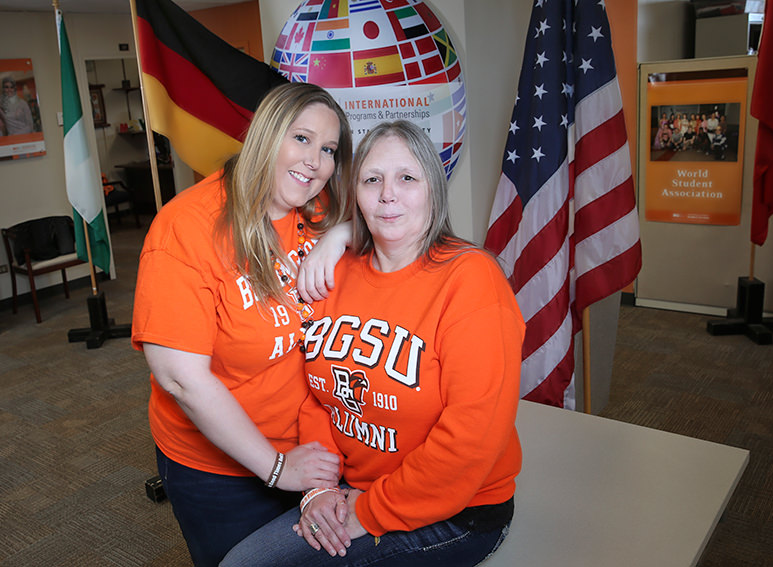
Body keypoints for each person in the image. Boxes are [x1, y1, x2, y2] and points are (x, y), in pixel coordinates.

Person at [221, 121, 524, 567]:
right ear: (356, 194)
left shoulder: (472, 281)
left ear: (433, 189)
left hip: (458, 511)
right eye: (372, 179)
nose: (387, 195)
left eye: (407, 178)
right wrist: (320, 488)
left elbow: (471, 440)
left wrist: (367, 513)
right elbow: (318, 396)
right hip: (350, 489)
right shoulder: (336, 273)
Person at [131, 82, 355, 567]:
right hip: (224, 471)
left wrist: (340, 233)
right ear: (265, 135)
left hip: (311, 446)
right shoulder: (186, 228)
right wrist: (277, 469)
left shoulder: (315, 209)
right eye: (301, 138)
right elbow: (181, 378)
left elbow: (389, 213)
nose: (315, 162)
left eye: (328, 149)